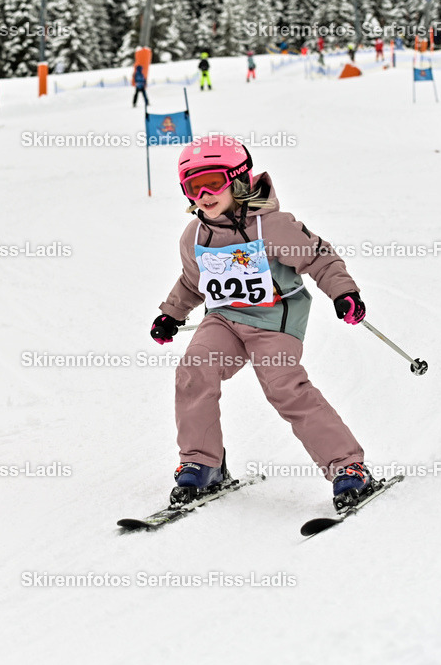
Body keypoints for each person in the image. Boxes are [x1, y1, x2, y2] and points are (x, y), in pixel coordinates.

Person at [150, 134, 373, 509]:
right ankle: (203, 463)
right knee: (194, 369)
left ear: (238, 180)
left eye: (213, 182)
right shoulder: (195, 235)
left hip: (274, 321)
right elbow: (192, 281)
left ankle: (347, 466)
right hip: (224, 319)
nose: (203, 195)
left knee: (285, 387)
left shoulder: (271, 226)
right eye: (192, 186)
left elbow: (319, 258)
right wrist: (170, 314)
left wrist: (343, 292)